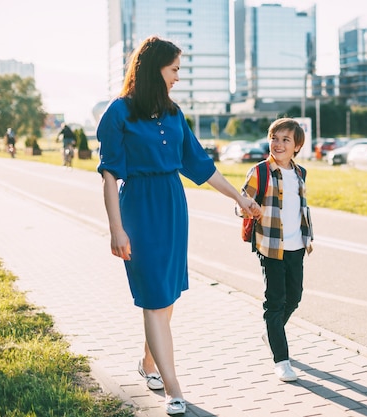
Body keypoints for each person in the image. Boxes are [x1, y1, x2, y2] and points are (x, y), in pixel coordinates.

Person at [96, 35, 260, 415]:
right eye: (174, 70)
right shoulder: (118, 113)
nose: (178, 78)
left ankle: (148, 363)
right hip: (138, 208)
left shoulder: (173, 114)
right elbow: (109, 176)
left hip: (173, 206)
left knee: (166, 298)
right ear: (155, 70)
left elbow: (201, 166)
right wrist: (115, 229)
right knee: (154, 299)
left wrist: (239, 197)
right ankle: (174, 389)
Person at [238, 118, 313, 382]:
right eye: (275, 138)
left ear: (297, 146)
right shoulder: (260, 171)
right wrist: (246, 207)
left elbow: (301, 207)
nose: (278, 144)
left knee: (295, 298)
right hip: (270, 246)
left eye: (285, 140)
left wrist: (308, 237)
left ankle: (271, 331)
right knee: (276, 301)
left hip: (297, 246)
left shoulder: (301, 173)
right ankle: (281, 360)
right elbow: (241, 202)